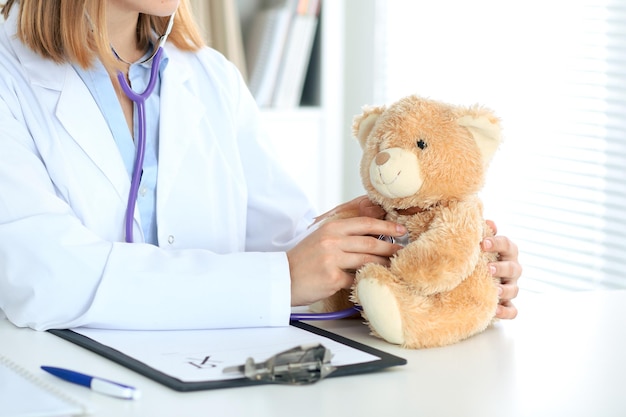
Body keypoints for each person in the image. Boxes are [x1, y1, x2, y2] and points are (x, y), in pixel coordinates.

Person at [0, 0, 521, 331]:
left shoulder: (208, 76)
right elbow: (43, 277)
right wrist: (281, 278)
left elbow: (284, 246)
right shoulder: (10, 76)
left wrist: (427, 267)